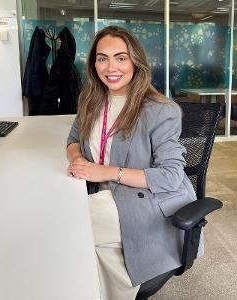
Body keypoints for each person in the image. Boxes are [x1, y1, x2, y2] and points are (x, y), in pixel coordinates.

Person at [66, 26, 198, 300]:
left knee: (65, 235)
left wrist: (105, 171)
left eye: (120, 57)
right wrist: (78, 160)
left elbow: (171, 176)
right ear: (93, 64)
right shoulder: (90, 99)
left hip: (143, 203)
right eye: (102, 58)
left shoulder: (161, 110)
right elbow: (72, 139)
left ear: (136, 62)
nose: (110, 67)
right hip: (98, 194)